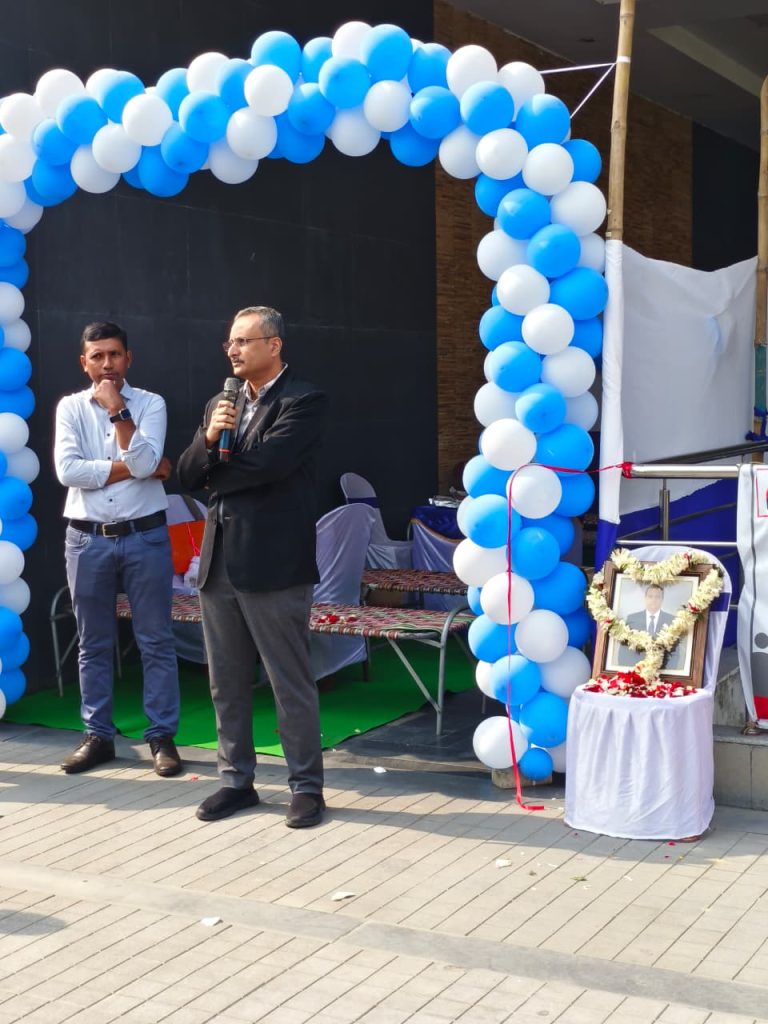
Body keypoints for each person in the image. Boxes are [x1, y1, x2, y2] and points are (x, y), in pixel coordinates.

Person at [177, 306, 328, 828]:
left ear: (274, 345)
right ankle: (235, 781)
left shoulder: (303, 400)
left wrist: (215, 471)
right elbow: (187, 474)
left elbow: (270, 465)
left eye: (243, 341)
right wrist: (208, 441)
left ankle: (306, 787)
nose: (233, 350)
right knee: (225, 681)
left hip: (274, 563)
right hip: (218, 561)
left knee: (289, 680)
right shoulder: (220, 403)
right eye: (230, 342)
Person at [54, 321, 182, 777]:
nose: (106, 363)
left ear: (129, 358)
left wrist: (117, 411)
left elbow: (145, 461)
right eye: (97, 355)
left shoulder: (150, 403)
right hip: (86, 538)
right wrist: (137, 468)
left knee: (155, 640)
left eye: (114, 354)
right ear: (84, 362)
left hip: (145, 535)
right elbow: (68, 471)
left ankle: (161, 737)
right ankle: (98, 736)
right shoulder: (70, 408)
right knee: (92, 641)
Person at [615, 583, 685, 671]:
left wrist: (667, 672)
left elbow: (675, 653)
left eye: (657, 597)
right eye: (650, 596)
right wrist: (630, 672)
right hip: (634, 671)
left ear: (662, 600)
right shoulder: (632, 618)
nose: (653, 600)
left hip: (662, 671)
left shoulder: (671, 620)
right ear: (645, 598)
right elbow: (624, 651)